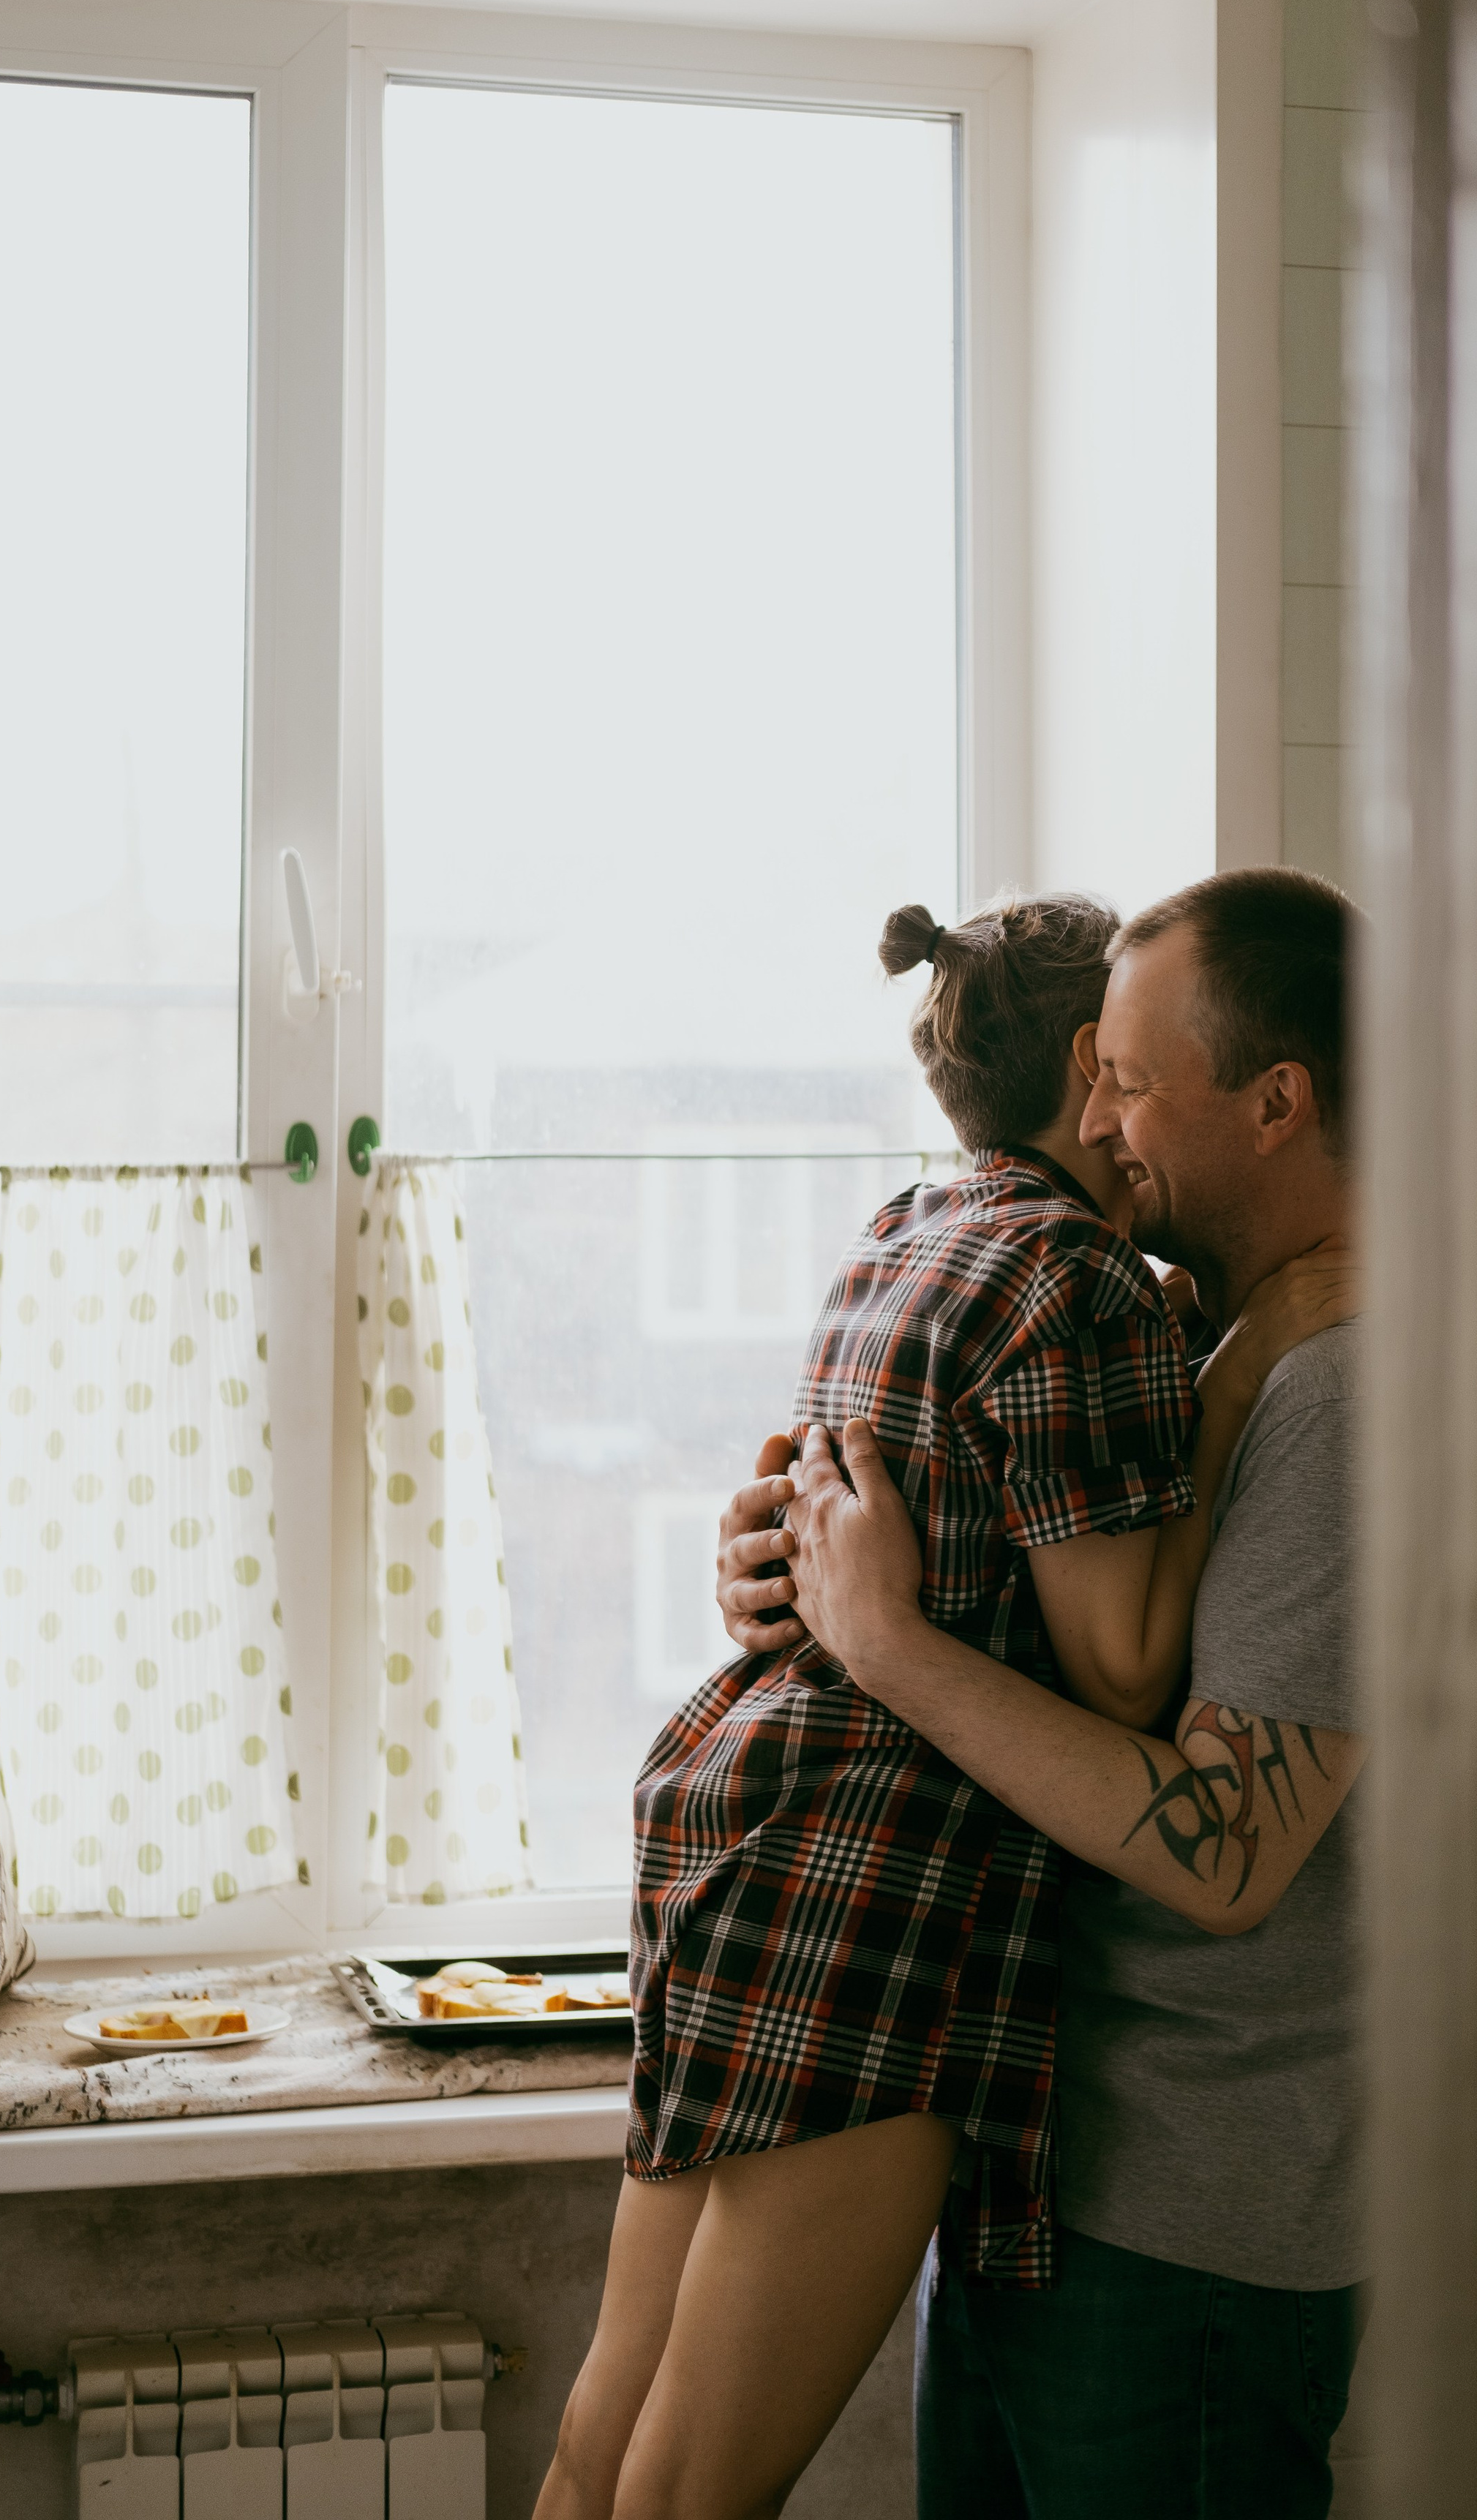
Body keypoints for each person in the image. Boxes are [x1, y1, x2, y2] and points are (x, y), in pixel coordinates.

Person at [537, 892, 1349, 2520]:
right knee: (680, 2482)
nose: (1115, 1120)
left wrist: (867, 1630)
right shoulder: (1122, 1307)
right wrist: (815, 1588)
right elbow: (1086, 1628)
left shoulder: (934, 1236)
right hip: (957, 2029)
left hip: (1140, 2170)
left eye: (1141, 1079)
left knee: (628, 2458)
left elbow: (1223, 1851)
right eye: (1100, 1079)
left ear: (1275, 1099)